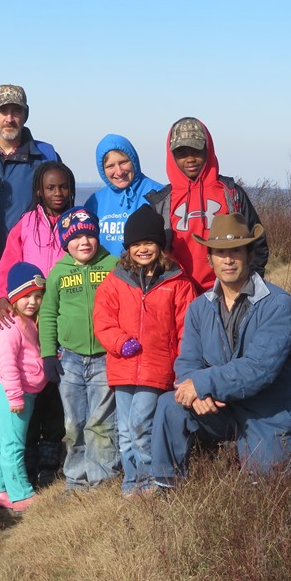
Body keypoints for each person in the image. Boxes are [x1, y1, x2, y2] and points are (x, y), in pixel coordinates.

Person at [150, 213, 291, 482]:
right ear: (210, 259)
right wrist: (195, 393)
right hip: (220, 408)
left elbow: (259, 369)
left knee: (269, 491)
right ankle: (167, 486)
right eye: (220, 252)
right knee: (169, 405)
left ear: (250, 254)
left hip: (266, 413)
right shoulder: (199, 308)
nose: (228, 260)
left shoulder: (278, 304)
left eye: (235, 251)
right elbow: (188, 361)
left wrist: (201, 384)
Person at [0, 84, 61, 465]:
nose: (10, 118)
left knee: (34, 357)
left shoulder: (44, 155)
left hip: (30, 285)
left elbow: (57, 205)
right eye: (3, 110)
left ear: (25, 114)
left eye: (16, 110)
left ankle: (29, 441)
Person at [93, 204, 197, 496]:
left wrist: (181, 367)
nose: (142, 249)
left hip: (157, 368)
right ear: (128, 248)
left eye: (148, 242)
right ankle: (132, 481)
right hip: (123, 366)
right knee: (125, 430)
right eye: (136, 244)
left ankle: (154, 479)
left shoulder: (177, 282)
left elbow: (185, 329)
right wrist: (119, 342)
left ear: (160, 245)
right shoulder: (115, 281)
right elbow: (102, 320)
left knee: (141, 425)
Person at [0, 160, 75, 486]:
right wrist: (2, 300)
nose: (58, 193)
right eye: (51, 187)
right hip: (29, 323)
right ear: (39, 191)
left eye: (63, 187)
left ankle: (49, 463)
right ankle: (22, 460)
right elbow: (6, 269)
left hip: (63, 322)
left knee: (56, 393)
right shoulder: (26, 225)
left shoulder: (76, 224)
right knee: (31, 391)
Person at [38, 207, 119, 491]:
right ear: (65, 243)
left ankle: (102, 479)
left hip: (105, 357)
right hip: (69, 360)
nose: (84, 242)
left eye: (89, 235)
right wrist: (48, 353)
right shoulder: (58, 273)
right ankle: (76, 480)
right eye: (76, 238)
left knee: (102, 422)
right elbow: (48, 314)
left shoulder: (113, 266)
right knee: (73, 423)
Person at [146, 117, 268, 293]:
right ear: (171, 156)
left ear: (207, 149)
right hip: (180, 296)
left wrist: (248, 287)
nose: (190, 159)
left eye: (196, 150)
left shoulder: (231, 193)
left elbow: (258, 244)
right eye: (181, 153)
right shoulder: (161, 202)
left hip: (228, 293)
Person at [0, 262, 48, 512]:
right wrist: (15, 398)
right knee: (14, 444)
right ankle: (20, 494)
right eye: (25, 296)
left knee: (2, 440)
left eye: (37, 296)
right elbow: (8, 364)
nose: (32, 302)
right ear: (13, 297)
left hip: (19, 391)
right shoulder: (10, 326)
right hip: (13, 392)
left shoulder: (27, 321)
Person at [85, 134, 163, 256]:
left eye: (123, 162)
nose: (119, 172)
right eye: (110, 166)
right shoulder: (96, 201)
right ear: (102, 169)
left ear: (134, 161)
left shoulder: (159, 194)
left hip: (147, 272)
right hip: (107, 273)